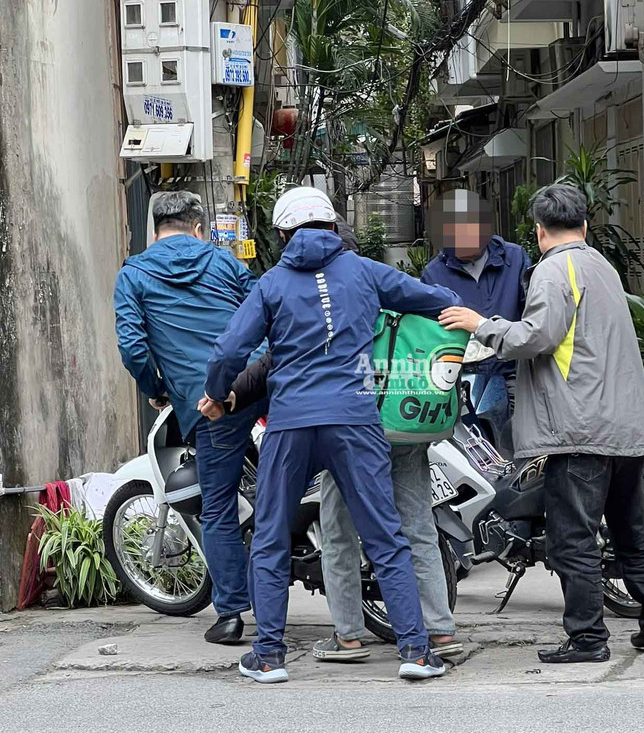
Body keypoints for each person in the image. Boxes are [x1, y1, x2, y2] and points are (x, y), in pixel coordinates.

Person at [202, 187, 461, 684]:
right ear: (333, 226)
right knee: (385, 536)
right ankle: (415, 651)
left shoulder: (272, 283)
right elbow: (437, 301)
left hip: (290, 424)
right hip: (355, 420)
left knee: (271, 537)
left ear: (283, 235)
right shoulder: (365, 271)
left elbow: (229, 351)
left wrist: (217, 394)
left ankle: (268, 656)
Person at [439, 183, 644, 664]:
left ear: (539, 230)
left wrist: (479, 323)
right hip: (627, 427)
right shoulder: (602, 265)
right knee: (631, 530)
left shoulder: (553, 269)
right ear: (585, 225)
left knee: (572, 539)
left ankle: (588, 639)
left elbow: (536, 337)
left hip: (580, 429)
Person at [212, 354, 463, 664]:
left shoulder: (348, 319)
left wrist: (232, 390)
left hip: (354, 424)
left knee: (338, 533)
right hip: (407, 414)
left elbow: (283, 352)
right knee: (418, 529)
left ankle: (348, 636)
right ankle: (440, 631)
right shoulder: (415, 317)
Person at [114, 190, 263, 646]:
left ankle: (232, 613)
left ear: (155, 230)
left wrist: (157, 389)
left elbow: (133, 347)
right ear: (198, 228)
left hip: (210, 403)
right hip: (265, 381)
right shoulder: (223, 262)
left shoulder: (134, 274)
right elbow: (265, 310)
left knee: (217, 506)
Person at [422, 188, 530, 448]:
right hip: (459, 379)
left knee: (520, 446)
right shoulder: (434, 273)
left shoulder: (514, 259)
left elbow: (533, 316)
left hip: (512, 373)